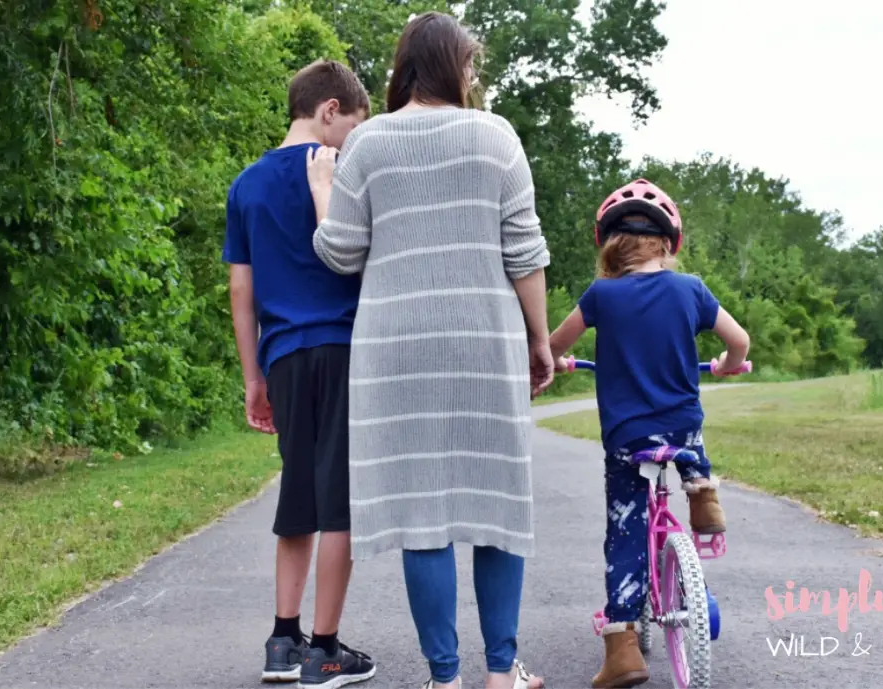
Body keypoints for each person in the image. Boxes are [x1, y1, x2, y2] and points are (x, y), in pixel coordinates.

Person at [306, 12, 552, 689]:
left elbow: (342, 252)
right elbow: (524, 252)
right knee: (499, 504)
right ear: (451, 64)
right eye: (470, 63)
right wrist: (540, 337)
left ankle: (445, 680)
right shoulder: (495, 138)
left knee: (423, 516)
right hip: (484, 339)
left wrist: (324, 194)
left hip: (395, 348)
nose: (473, 76)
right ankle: (501, 674)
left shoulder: (369, 144)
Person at [546, 179, 750, 688]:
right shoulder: (692, 289)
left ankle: (622, 648)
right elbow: (739, 339)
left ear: (609, 243)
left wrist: (561, 361)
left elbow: (550, 346)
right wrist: (728, 364)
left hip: (627, 438)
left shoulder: (601, 295)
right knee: (689, 437)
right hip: (682, 428)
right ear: (669, 242)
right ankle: (702, 493)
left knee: (625, 533)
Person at [222, 60, 377, 688]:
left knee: (299, 494)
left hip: (282, 353)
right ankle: (326, 649)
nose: (352, 142)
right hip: (342, 348)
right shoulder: (343, 174)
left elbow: (241, 289)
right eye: (353, 127)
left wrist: (252, 376)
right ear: (330, 110)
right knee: (339, 500)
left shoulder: (246, 185)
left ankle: (281, 640)